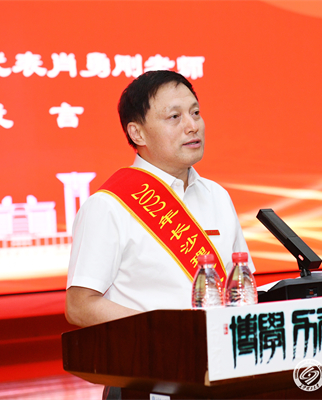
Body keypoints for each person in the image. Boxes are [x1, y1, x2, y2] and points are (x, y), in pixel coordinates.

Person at [65, 71, 254, 328]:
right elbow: (80, 306)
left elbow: (241, 284)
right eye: (174, 117)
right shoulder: (108, 205)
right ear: (137, 134)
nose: (192, 125)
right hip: (153, 350)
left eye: (195, 113)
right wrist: (165, 332)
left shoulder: (217, 195)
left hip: (222, 346)